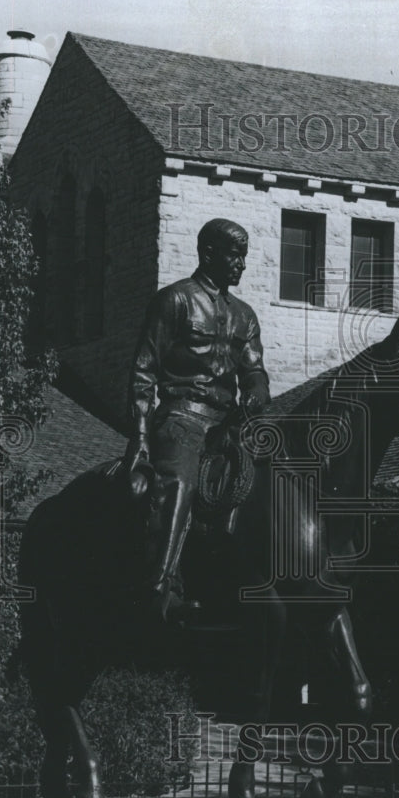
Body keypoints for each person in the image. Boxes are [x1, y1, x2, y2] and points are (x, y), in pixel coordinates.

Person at [125, 218, 270, 625]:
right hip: (181, 419)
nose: (241, 264)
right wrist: (139, 436)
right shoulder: (175, 301)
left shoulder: (246, 316)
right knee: (180, 483)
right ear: (208, 254)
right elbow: (143, 371)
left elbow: (254, 370)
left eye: (244, 255)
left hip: (229, 424)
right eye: (234, 255)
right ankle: (160, 587)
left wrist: (257, 390)